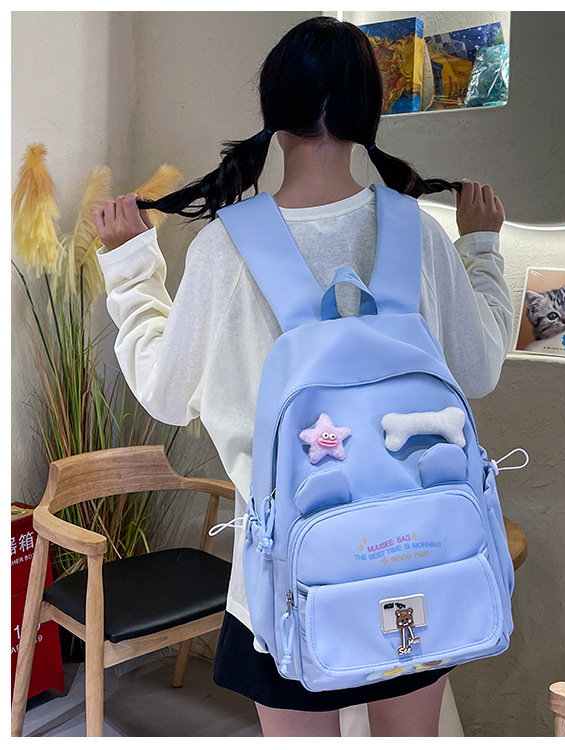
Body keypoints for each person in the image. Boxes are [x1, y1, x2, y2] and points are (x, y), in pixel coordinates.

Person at [93, 15, 513, 738]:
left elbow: (166, 395)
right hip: (418, 556)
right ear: (367, 112)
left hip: (284, 577)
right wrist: (482, 250)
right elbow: (479, 370)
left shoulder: (227, 249)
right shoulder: (419, 232)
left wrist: (131, 271)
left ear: (275, 111)